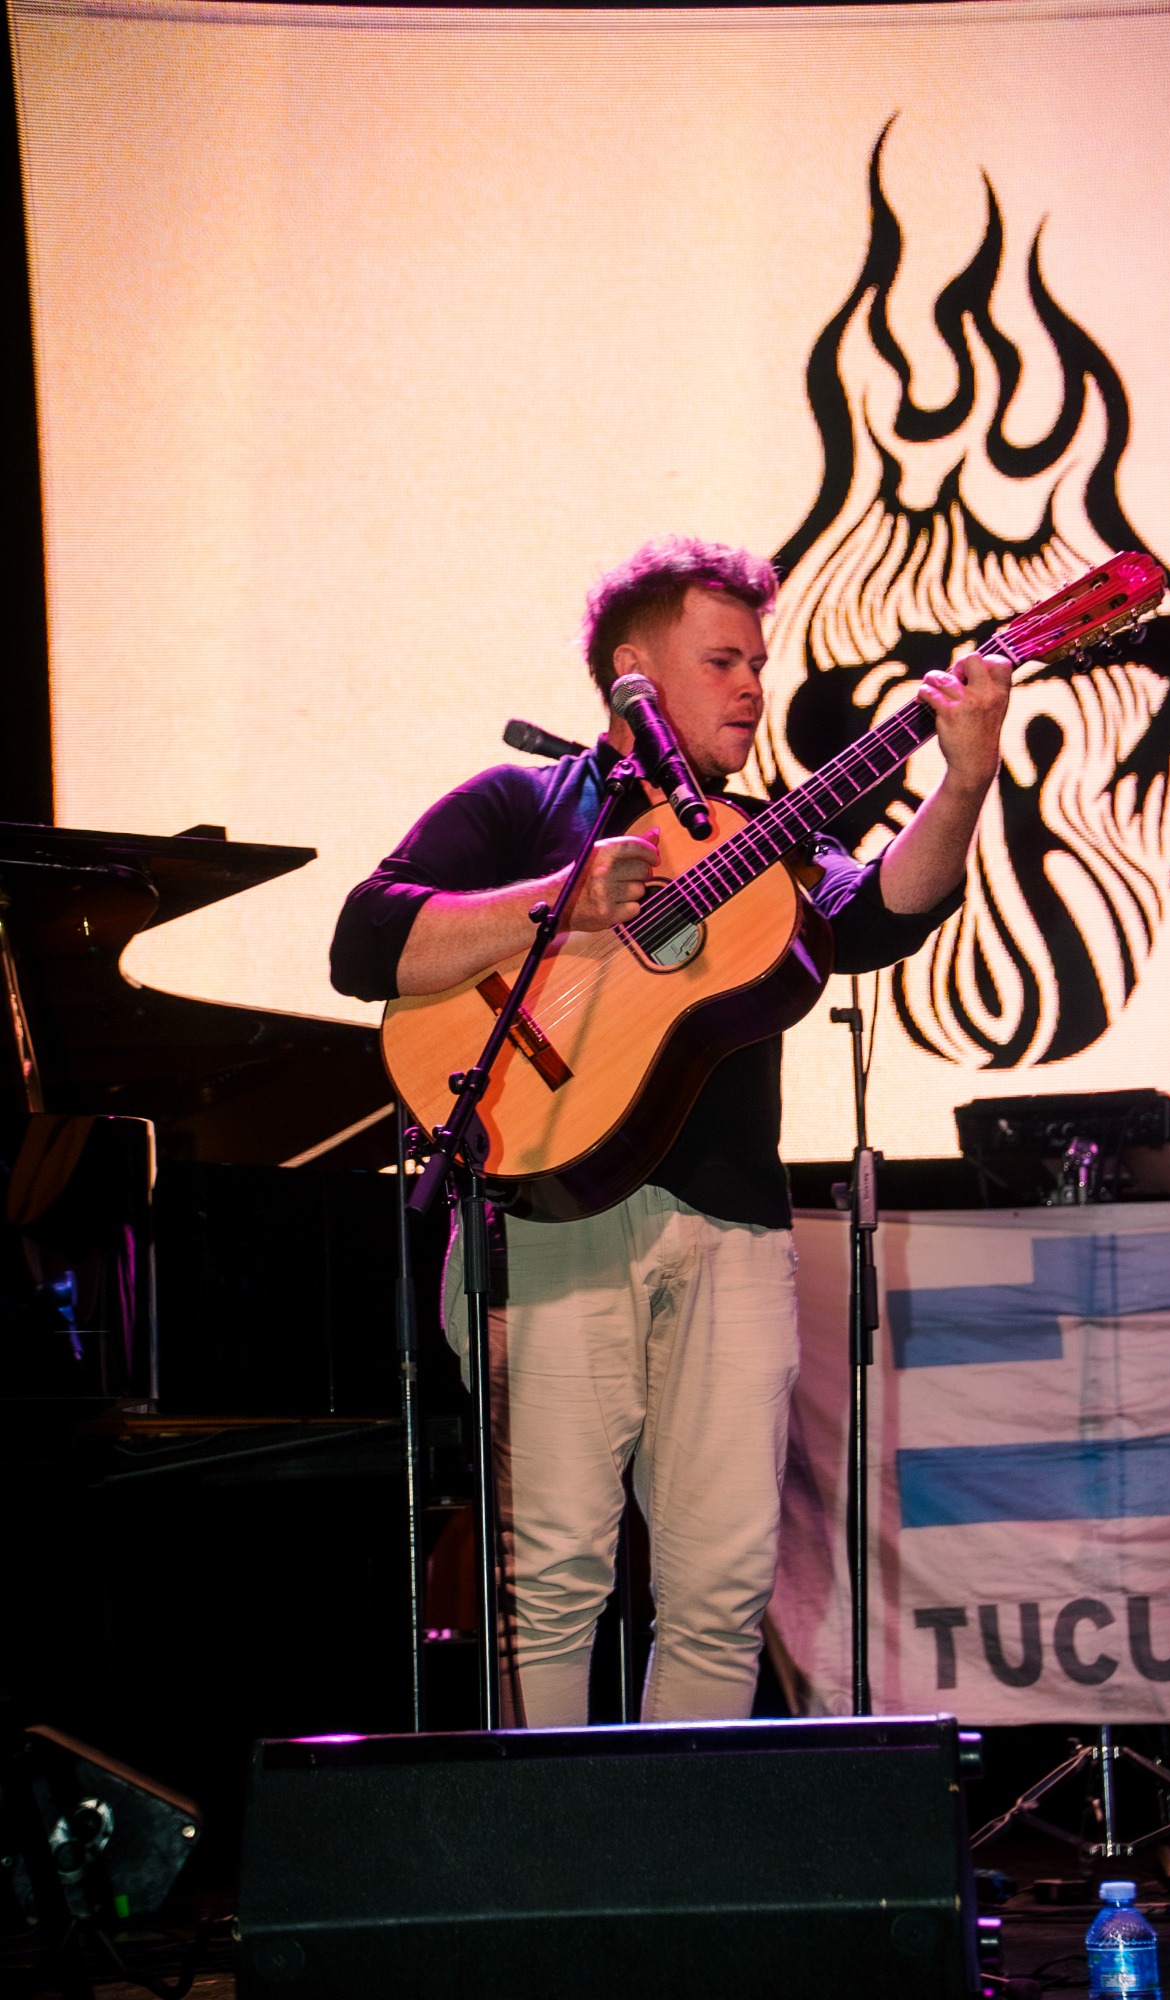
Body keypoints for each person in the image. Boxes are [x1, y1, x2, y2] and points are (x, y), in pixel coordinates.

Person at [330, 536, 1011, 1728]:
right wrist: (556, 903)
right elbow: (366, 940)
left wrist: (962, 782)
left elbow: (881, 914)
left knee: (722, 1587)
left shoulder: (768, 831)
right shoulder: (520, 805)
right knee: (551, 1580)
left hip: (734, 1227)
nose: (753, 687)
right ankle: (546, 1838)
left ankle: (678, 1838)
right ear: (632, 672)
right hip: (550, 1212)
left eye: (759, 662)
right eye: (723, 661)